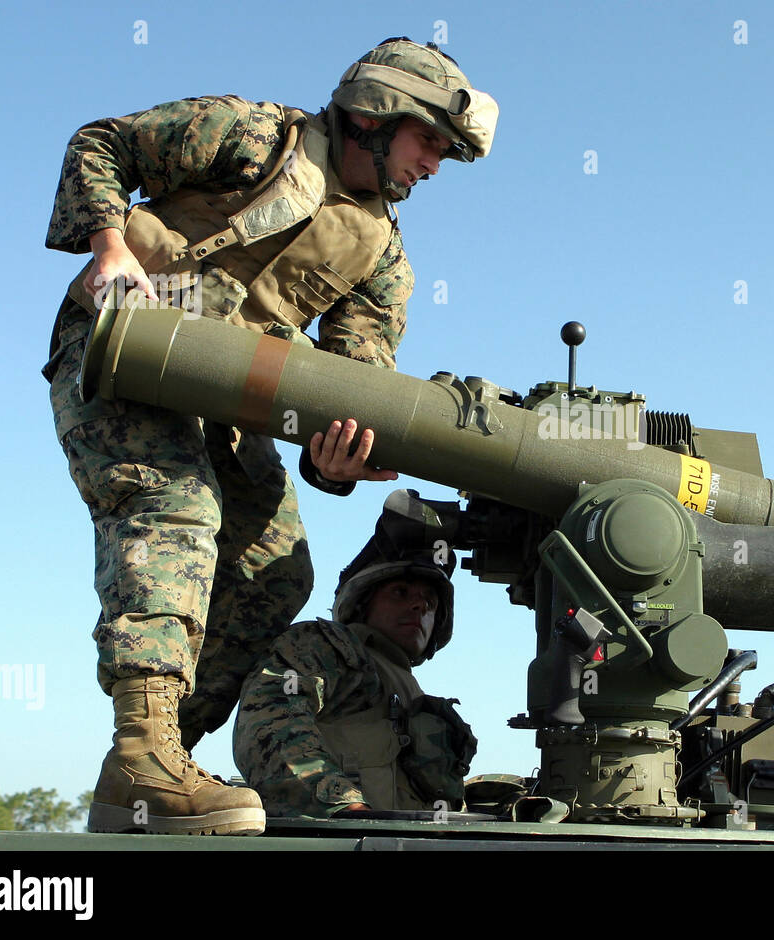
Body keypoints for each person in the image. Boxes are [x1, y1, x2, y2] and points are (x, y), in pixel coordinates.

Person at [42, 38, 496, 835]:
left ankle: (157, 767)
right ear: (379, 114)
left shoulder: (383, 256)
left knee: (273, 576)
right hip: (124, 352)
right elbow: (102, 143)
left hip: (228, 406)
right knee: (174, 507)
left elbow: (355, 385)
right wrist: (109, 248)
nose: (435, 165)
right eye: (432, 142)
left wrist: (341, 461)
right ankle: (143, 748)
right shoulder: (255, 138)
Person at [233, 536, 476, 818]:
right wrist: (342, 806)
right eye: (400, 592)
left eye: (430, 603)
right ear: (363, 602)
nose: (419, 606)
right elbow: (270, 722)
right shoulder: (328, 645)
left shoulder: (410, 690)